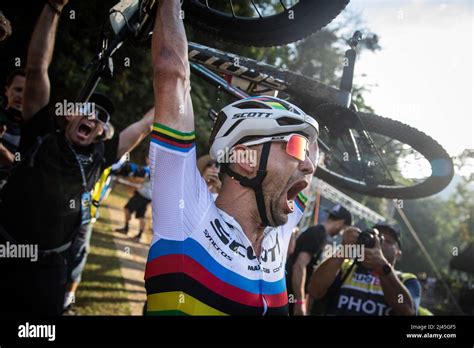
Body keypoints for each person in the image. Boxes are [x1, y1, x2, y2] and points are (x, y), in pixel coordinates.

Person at [144, 1, 319, 316]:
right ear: (246, 158)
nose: (307, 164)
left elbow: (315, 154)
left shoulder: (277, 233)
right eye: (294, 147)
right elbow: (172, 72)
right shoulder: (187, 215)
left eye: (305, 153)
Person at [0, 0, 154, 315]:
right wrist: (53, 8)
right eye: (88, 109)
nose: (93, 118)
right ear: (70, 115)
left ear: (101, 132)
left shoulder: (101, 157)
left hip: (48, 269)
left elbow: (145, 125)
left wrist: (177, 76)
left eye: (101, 118)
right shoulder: (41, 134)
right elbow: (37, 68)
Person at [308, 224, 421, 315]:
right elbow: (314, 290)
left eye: (388, 242)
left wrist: (383, 268)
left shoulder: (406, 280)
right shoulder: (346, 267)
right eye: (377, 238)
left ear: (398, 254)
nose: (380, 244)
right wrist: (343, 251)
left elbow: (408, 312)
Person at [286, 204, 352, 315]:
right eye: (344, 229)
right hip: (289, 293)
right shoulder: (318, 234)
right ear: (341, 223)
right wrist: (299, 301)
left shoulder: (317, 231)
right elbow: (299, 266)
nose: (341, 232)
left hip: (290, 292)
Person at [115, 158, 152, 240]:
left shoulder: (147, 170)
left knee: (127, 209)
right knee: (141, 215)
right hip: (149, 196)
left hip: (142, 195)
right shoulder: (156, 170)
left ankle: (126, 228)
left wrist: (122, 181)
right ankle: (139, 235)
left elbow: (137, 182)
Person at [0, 69, 25, 188]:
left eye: (27, 93)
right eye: (18, 90)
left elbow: (27, 169)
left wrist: (3, 151)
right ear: (6, 90)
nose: (21, 96)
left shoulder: (35, 132)